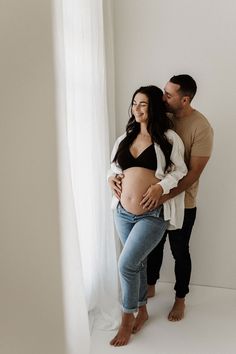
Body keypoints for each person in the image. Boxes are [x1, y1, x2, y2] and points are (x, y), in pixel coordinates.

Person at [107, 85, 187, 346]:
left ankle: (126, 318)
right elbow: (113, 167)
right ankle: (141, 310)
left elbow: (180, 171)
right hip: (123, 212)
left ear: (153, 106)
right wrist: (111, 179)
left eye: (142, 104)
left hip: (152, 213)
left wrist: (159, 187)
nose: (136, 108)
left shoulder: (169, 138)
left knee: (126, 264)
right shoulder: (125, 137)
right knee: (137, 264)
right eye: (134, 103)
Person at [146, 75, 214, 322]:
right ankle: (150, 284)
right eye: (164, 92)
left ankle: (180, 299)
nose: (163, 98)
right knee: (153, 246)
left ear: (185, 100)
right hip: (156, 198)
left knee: (179, 251)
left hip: (183, 203)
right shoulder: (166, 119)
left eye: (168, 95)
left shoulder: (201, 127)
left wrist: (163, 196)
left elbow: (193, 173)